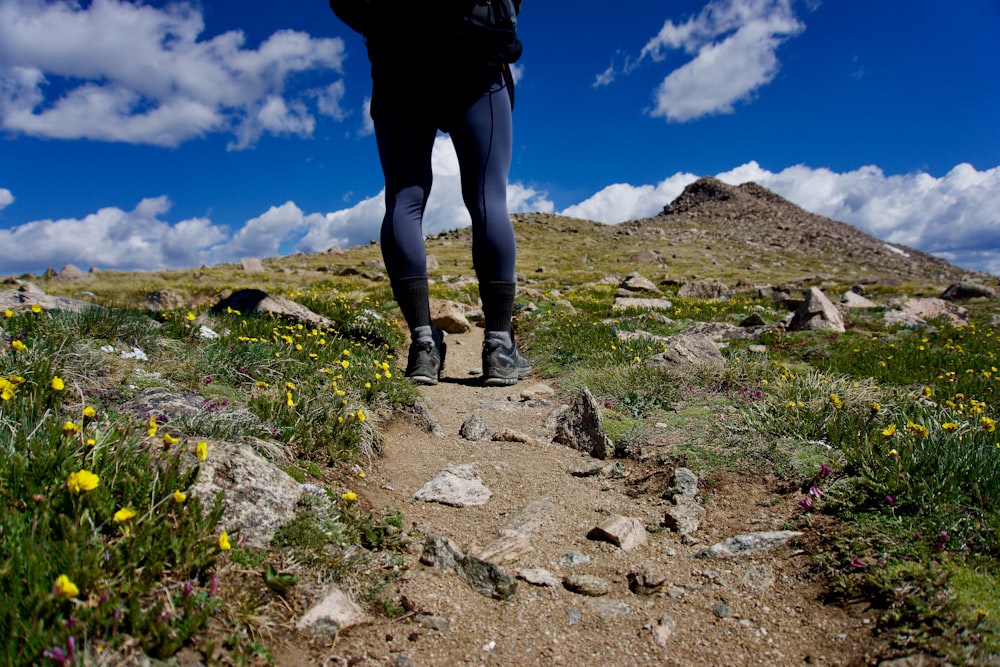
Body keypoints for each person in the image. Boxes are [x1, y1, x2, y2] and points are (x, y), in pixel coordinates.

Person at [332, 0, 530, 387]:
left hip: (398, 61)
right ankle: (499, 348)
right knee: (488, 196)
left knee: (404, 199)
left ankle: (423, 345)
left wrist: (387, 27)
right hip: (476, 55)